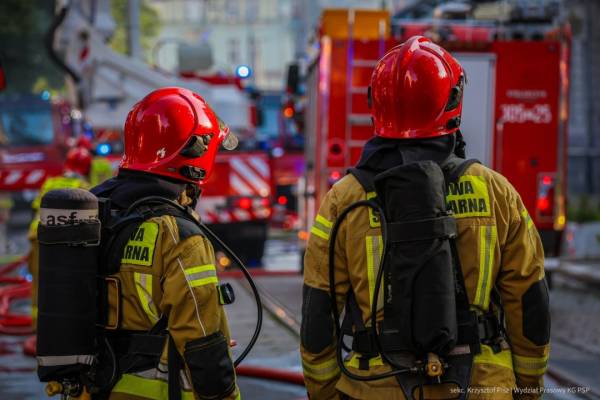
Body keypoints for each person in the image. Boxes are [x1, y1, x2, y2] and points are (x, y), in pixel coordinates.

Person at [301, 36, 550, 400]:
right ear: (451, 102)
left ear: (376, 105)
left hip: (375, 389)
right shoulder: (496, 192)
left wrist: (324, 393)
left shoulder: (345, 199)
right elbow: (530, 301)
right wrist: (528, 389)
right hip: (481, 387)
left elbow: (318, 311)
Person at [90, 87, 240, 400]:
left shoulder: (96, 214)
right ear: (195, 152)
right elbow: (202, 344)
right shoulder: (180, 236)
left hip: (91, 388)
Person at [28, 146, 92, 327]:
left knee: (39, 283)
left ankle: (37, 325)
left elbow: (35, 208)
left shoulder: (50, 183)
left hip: (37, 236)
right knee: (65, 286)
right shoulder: (84, 188)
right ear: (86, 168)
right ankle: (62, 325)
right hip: (65, 244)